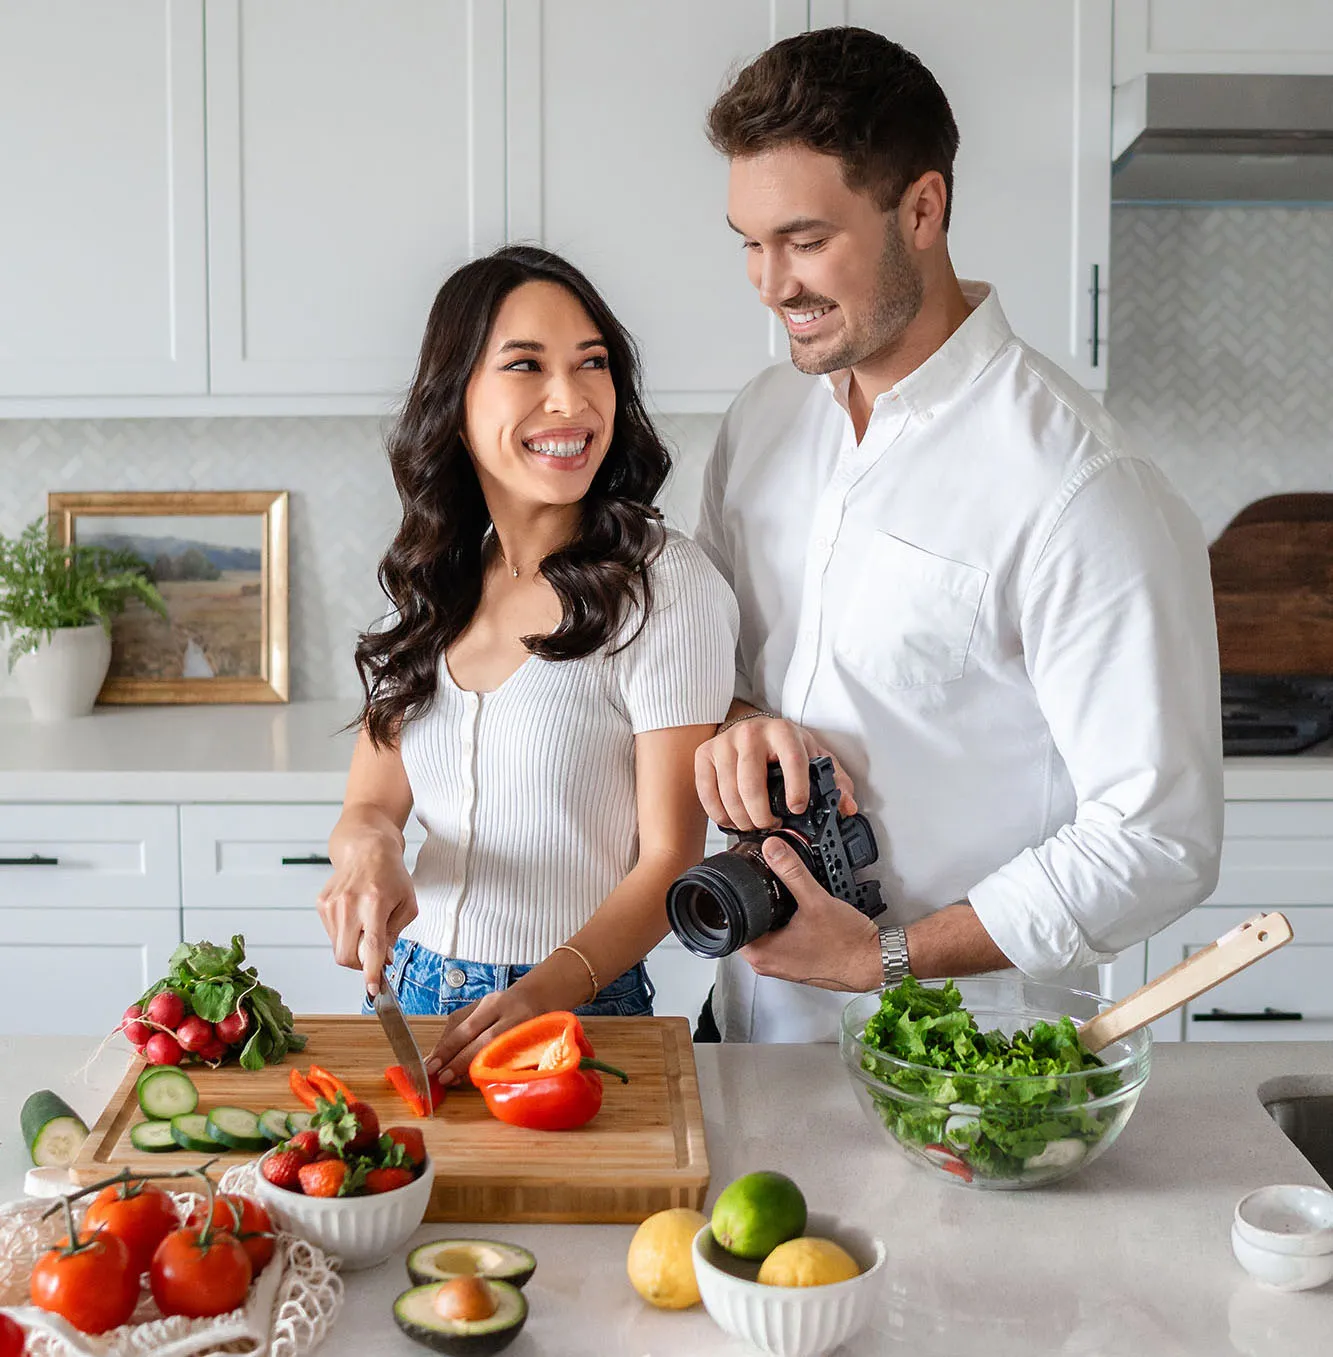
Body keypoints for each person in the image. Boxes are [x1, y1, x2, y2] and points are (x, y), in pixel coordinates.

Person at [690, 28, 1224, 1043]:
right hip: (745, 1034)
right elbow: (705, 664)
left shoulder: (1078, 485)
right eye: (748, 244)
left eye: (806, 240)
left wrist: (878, 958)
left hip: (962, 1066)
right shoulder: (762, 420)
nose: (770, 284)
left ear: (922, 209)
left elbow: (1157, 839)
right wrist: (736, 714)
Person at [318, 245, 737, 1083]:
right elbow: (371, 800)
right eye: (525, 365)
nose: (572, 398)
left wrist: (545, 990)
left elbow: (671, 859)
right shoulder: (438, 580)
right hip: (402, 994)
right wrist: (369, 855)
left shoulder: (662, 584)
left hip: (570, 1009)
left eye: (593, 364)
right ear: (456, 398)